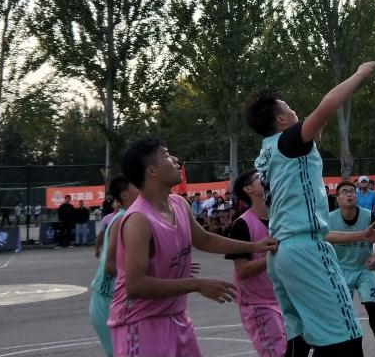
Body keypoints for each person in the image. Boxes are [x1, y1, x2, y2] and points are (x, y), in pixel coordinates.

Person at [244, 61, 375, 356]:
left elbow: (315, 131)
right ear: (282, 120)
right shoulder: (289, 140)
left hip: (281, 253)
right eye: (290, 108)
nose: (296, 113)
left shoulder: (267, 151)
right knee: (345, 337)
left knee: (300, 338)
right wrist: (359, 73)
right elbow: (327, 106)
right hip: (306, 248)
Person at [109, 138, 277, 357]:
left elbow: (204, 239)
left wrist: (255, 246)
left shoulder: (179, 204)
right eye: (167, 155)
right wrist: (197, 284)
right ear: (152, 171)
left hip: (176, 317)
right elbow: (135, 285)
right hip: (140, 323)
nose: (175, 159)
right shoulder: (138, 220)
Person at [227, 170, 289, 357]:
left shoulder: (280, 220)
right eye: (259, 178)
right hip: (258, 304)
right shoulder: (241, 225)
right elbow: (243, 270)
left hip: (285, 298)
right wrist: (271, 256)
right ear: (248, 189)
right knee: (277, 352)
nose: (266, 179)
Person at [329, 180, 375, 357]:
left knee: (372, 305)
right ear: (338, 199)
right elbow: (324, 239)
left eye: (352, 191)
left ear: (356, 196)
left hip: (364, 268)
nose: (349, 194)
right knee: (344, 311)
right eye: (344, 192)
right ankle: (348, 347)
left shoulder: (368, 216)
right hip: (340, 269)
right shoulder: (329, 218)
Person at [90, 175, 138, 356]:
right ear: (125, 195)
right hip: (107, 300)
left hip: (117, 299)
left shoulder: (130, 217)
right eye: (137, 185)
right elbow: (110, 266)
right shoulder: (122, 219)